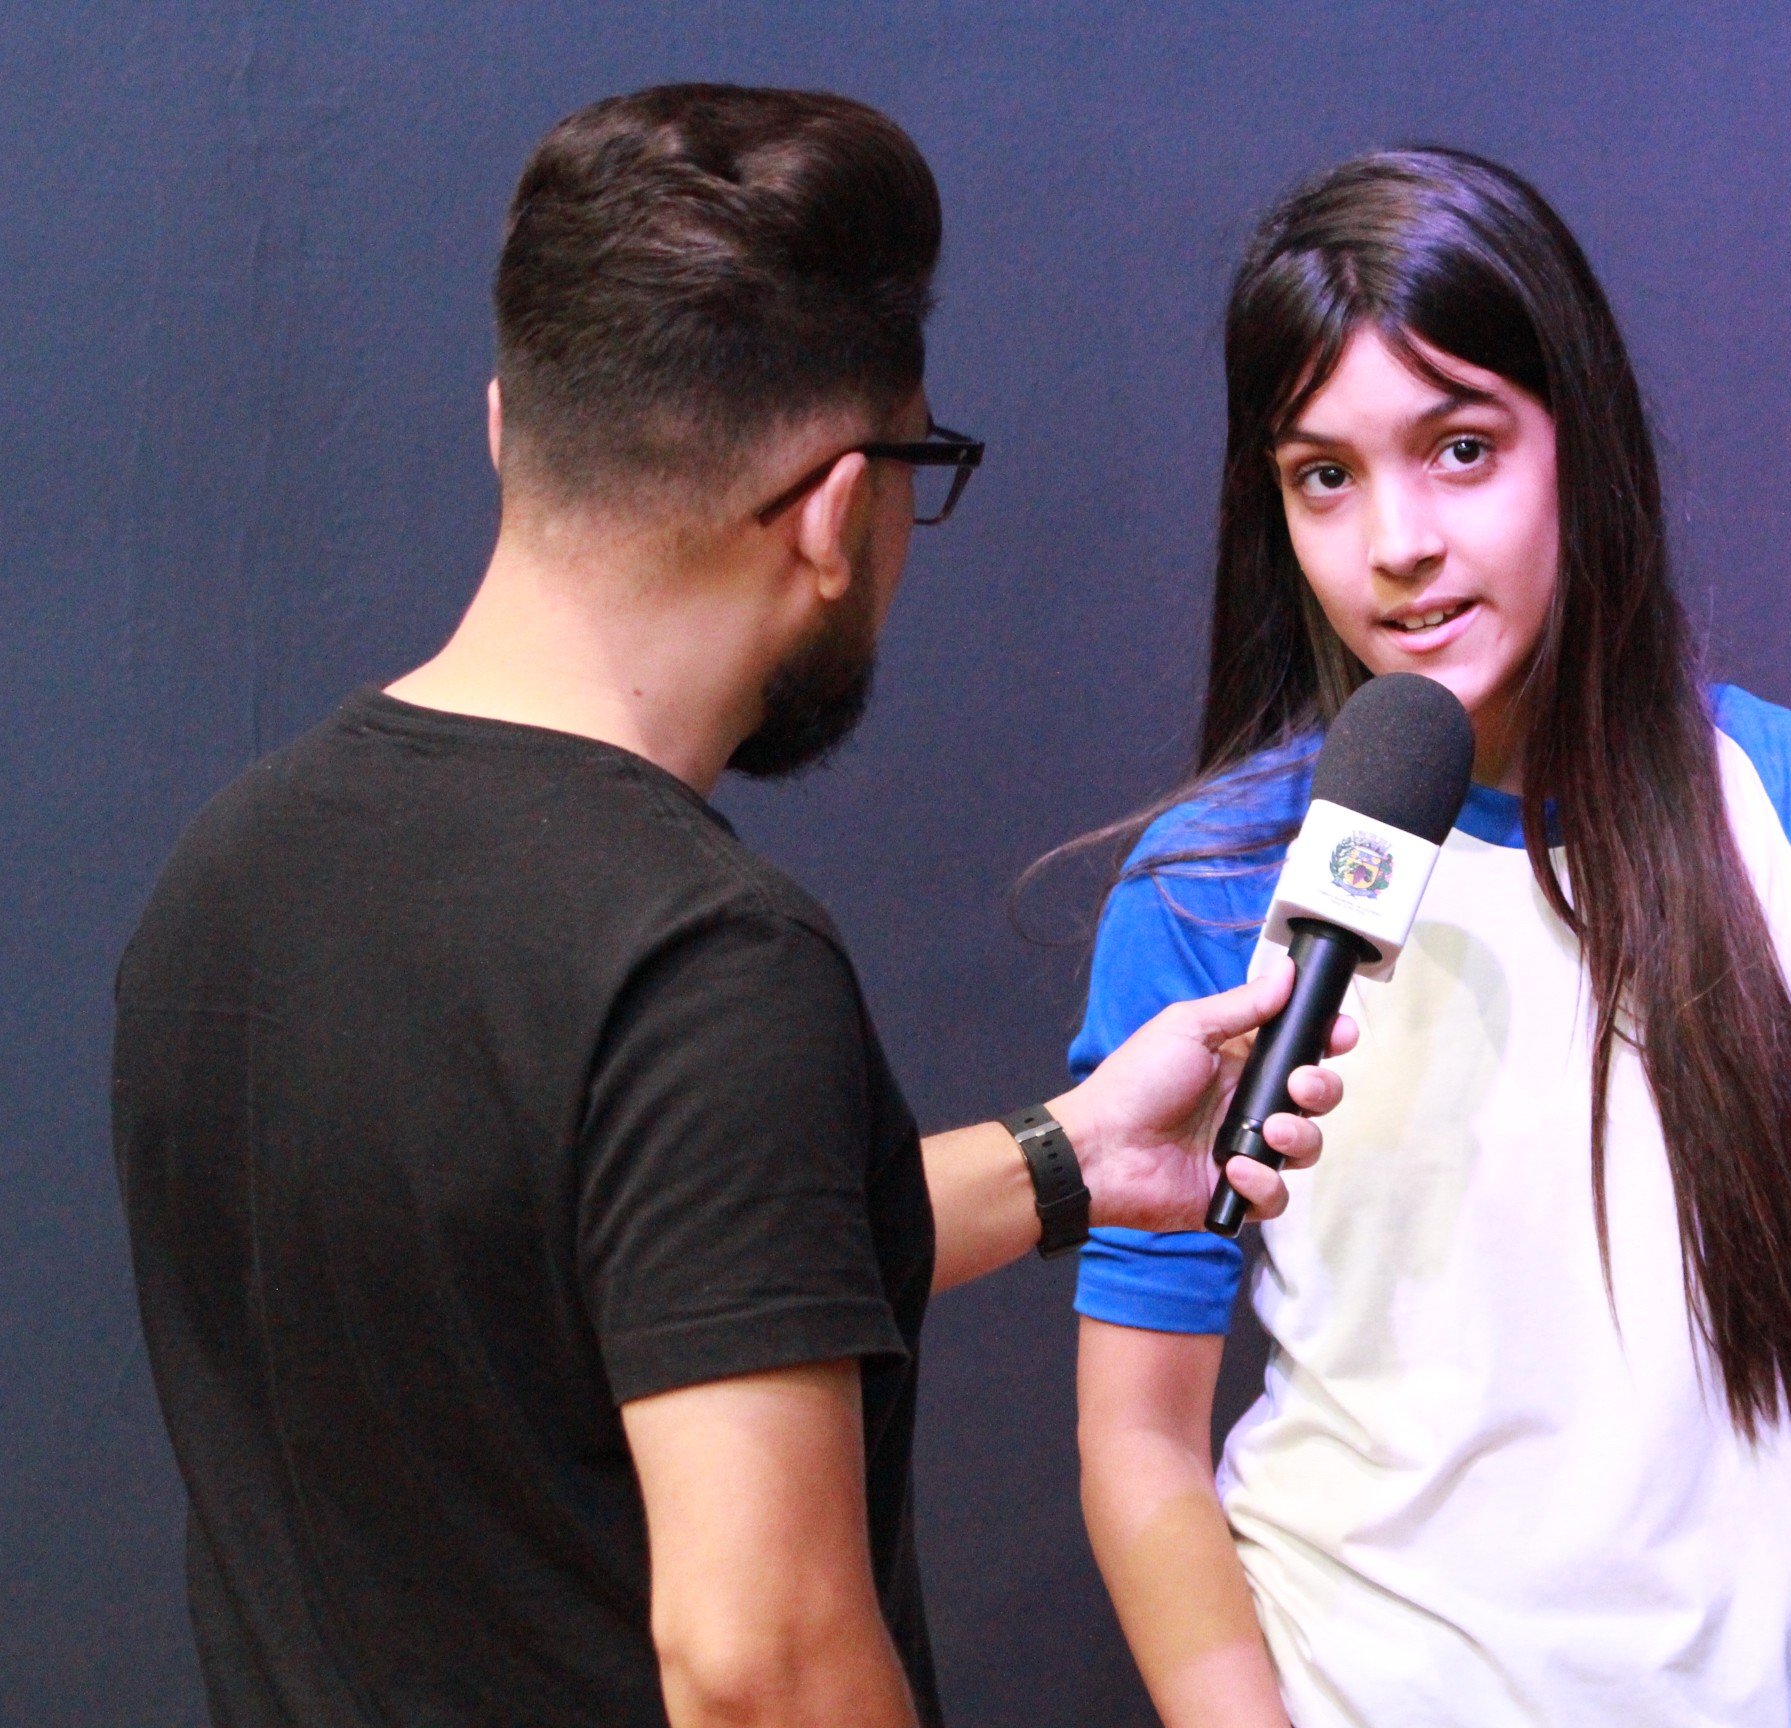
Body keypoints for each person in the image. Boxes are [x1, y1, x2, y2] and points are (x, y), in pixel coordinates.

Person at [110, 85, 1351, 1728]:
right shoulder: (705, 967)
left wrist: (1072, 1161)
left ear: (506, 425)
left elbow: (614, 1269)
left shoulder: (226, 882)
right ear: (837, 509)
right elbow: (759, 1667)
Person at [1067, 148, 1791, 1727]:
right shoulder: (1208, 886)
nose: (1399, 540)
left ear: (1580, 444)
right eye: (1324, 476)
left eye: (1462, 449)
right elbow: (1139, 1433)